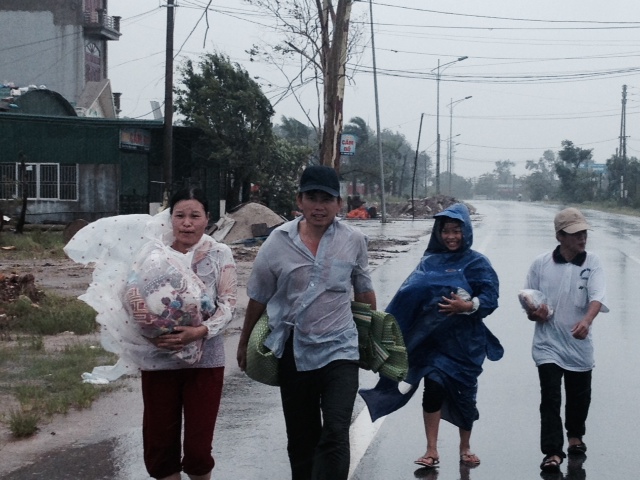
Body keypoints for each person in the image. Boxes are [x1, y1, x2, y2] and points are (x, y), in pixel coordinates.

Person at [65, 188, 237, 480]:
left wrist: (198, 331)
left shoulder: (220, 254)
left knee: (198, 448)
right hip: (159, 357)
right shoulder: (152, 253)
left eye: (195, 216)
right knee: (159, 444)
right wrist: (144, 330)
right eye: (180, 215)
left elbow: (229, 304)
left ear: (208, 219)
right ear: (169, 220)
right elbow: (129, 293)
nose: (187, 223)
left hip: (205, 360)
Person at [236, 165, 377, 480]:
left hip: (341, 351)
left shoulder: (354, 240)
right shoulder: (277, 242)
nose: (319, 206)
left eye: (327, 199)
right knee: (302, 441)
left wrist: (372, 341)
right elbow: (258, 296)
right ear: (299, 201)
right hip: (295, 353)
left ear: (339, 204)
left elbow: (365, 290)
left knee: (336, 432)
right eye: (312, 197)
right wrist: (244, 342)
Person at [360, 203, 502, 470]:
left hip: (465, 344)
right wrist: (386, 332)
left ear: (466, 232)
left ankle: (465, 447)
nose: (450, 236)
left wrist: (467, 306)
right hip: (432, 344)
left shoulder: (477, 263)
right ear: (438, 233)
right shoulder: (429, 261)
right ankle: (431, 449)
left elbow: (491, 298)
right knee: (433, 388)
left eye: (456, 231)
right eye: (446, 231)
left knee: (465, 395)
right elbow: (408, 296)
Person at [523, 207, 608, 473]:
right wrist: (534, 312)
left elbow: (597, 296)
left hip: (579, 343)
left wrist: (587, 320)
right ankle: (552, 451)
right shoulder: (541, 264)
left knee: (579, 396)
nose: (583, 238)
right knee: (550, 397)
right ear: (560, 236)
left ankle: (575, 438)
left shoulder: (592, 262)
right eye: (576, 234)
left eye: (584, 232)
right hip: (547, 344)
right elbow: (529, 299)